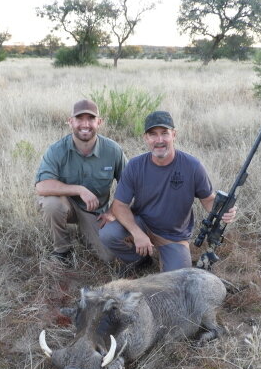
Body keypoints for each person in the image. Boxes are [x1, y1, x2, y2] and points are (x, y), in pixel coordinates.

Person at [99, 110, 237, 272]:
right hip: (142, 223)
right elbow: (119, 205)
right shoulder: (135, 166)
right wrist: (137, 233)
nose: (159, 140)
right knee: (108, 234)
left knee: (178, 277)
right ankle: (140, 260)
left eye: (164, 133)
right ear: (146, 138)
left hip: (173, 236)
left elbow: (208, 200)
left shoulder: (193, 166)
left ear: (174, 135)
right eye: (153, 134)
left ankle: (169, 257)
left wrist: (225, 211)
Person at [35, 99, 126, 263]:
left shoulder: (113, 150)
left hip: (95, 212)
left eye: (91, 119)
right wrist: (79, 190)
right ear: (70, 122)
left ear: (99, 122)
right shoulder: (56, 150)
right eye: (79, 119)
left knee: (110, 257)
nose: (85, 124)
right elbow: (42, 186)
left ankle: (87, 233)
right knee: (51, 204)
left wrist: (112, 211)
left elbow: (129, 185)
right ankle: (62, 251)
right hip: (67, 206)